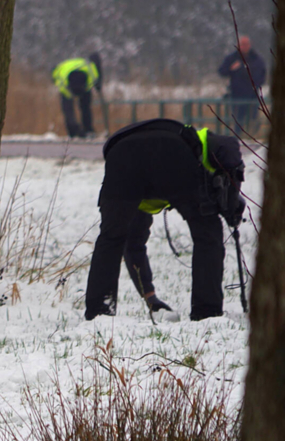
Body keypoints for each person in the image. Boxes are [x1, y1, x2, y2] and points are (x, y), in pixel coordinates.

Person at [84, 119, 245, 322]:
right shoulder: (205, 140)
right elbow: (230, 150)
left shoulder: (136, 188)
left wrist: (151, 298)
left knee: (111, 237)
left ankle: (99, 310)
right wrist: (232, 203)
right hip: (173, 153)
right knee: (208, 233)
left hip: (121, 157)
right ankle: (207, 311)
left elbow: (132, 245)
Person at [218, 35, 267, 131]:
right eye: (242, 44)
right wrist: (231, 69)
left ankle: (254, 136)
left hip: (253, 94)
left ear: (250, 45)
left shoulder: (256, 58)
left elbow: (263, 73)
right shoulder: (232, 58)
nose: (245, 46)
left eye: (246, 44)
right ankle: (239, 137)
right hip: (237, 94)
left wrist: (257, 83)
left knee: (254, 118)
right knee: (238, 119)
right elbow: (221, 71)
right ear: (238, 45)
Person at [52, 53, 103, 138]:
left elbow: (94, 82)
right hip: (65, 72)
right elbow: (68, 109)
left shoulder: (91, 74)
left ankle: (88, 130)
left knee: (84, 107)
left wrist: (87, 90)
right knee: (70, 110)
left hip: (82, 77)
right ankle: (74, 131)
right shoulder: (63, 82)